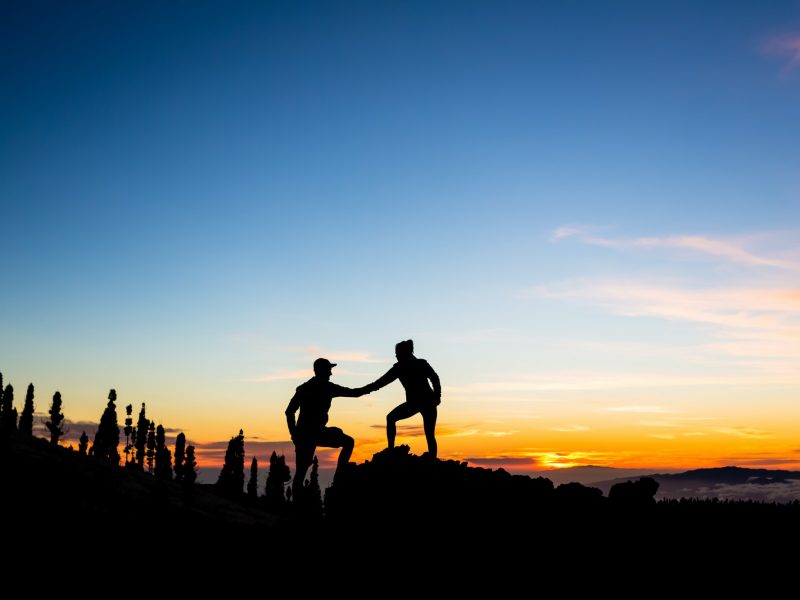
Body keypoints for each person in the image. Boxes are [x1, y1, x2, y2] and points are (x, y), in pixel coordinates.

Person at [285, 357, 371, 497]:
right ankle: (338, 478)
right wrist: (373, 387)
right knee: (348, 442)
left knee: (300, 473)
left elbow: (289, 412)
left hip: (307, 434)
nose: (331, 373)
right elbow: (354, 393)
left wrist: (295, 434)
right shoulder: (327, 388)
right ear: (322, 371)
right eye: (329, 370)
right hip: (311, 434)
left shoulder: (304, 388)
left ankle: (297, 511)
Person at [365, 340, 441, 458]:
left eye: (397, 353)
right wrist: (437, 396)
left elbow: (435, 378)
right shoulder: (408, 365)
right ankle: (431, 459)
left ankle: (392, 451)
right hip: (423, 401)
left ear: (405, 353)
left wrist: (437, 396)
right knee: (429, 434)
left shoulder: (410, 365)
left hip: (423, 402)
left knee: (392, 419)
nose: (395, 356)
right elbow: (381, 382)